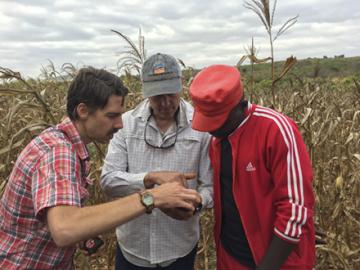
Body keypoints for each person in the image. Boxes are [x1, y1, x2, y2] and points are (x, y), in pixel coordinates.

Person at [0, 67, 201, 269]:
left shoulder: (66, 145)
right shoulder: (57, 152)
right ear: (83, 111)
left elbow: (56, 220)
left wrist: (84, 232)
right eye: (112, 116)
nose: (120, 124)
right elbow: (64, 229)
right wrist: (153, 197)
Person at [189, 64, 315, 270]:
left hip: (275, 261)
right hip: (231, 255)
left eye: (216, 121)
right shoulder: (218, 139)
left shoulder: (275, 130)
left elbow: (294, 209)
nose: (210, 130)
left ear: (239, 106)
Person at [101, 53, 213, 270]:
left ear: (181, 84)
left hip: (179, 248)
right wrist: (149, 178)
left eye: (171, 94)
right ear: (144, 90)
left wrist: (195, 202)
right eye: (157, 96)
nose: (165, 103)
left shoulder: (201, 126)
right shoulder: (126, 124)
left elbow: (211, 187)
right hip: (133, 248)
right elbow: (108, 180)